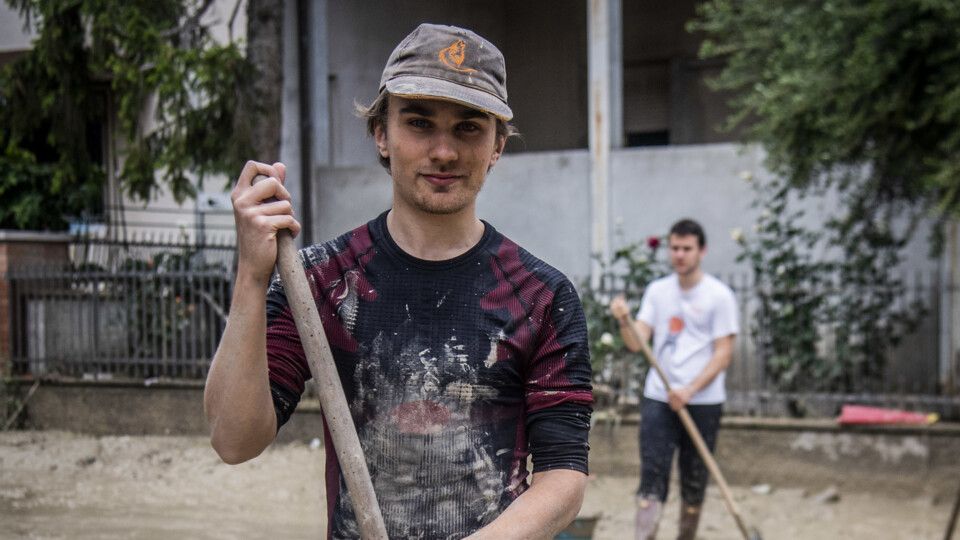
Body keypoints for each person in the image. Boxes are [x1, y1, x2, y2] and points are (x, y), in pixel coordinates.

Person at [204, 23, 594, 539]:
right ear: (381, 134)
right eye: (419, 123)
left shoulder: (541, 297)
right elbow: (234, 439)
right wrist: (252, 278)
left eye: (469, 128)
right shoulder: (323, 281)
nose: (444, 152)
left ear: (498, 144)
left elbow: (563, 478)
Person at [609, 219, 738, 540]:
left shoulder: (719, 296)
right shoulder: (658, 291)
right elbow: (636, 343)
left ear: (701, 251)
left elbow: (723, 354)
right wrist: (625, 321)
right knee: (652, 477)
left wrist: (690, 390)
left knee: (694, 481)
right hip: (659, 397)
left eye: (687, 248)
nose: (679, 255)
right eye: (675, 248)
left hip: (703, 401)